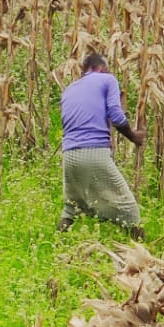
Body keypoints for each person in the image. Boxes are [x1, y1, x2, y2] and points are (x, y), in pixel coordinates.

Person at [58, 53, 147, 238]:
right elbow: (115, 115)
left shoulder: (69, 90)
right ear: (102, 68)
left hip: (69, 156)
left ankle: (56, 246)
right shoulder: (107, 79)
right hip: (94, 152)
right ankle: (142, 253)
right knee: (129, 208)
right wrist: (134, 137)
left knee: (71, 208)